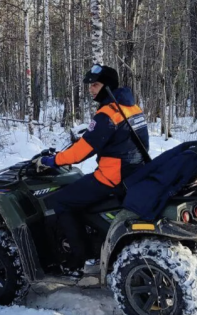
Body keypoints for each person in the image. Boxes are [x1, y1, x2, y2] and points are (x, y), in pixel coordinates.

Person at [36, 65, 149, 274]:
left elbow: (81, 152)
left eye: (95, 85)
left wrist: (53, 161)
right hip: (135, 172)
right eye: (90, 85)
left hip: (112, 177)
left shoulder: (107, 114)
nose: (91, 89)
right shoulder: (133, 107)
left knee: (59, 201)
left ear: (107, 86)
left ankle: (76, 259)